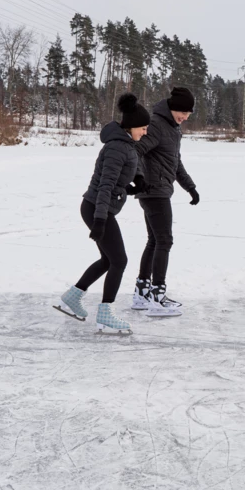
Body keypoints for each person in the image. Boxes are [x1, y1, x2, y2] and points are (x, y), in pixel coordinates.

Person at [55, 93, 150, 335]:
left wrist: (135, 182)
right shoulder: (119, 147)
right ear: (130, 127)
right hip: (98, 208)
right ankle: (105, 313)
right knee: (119, 260)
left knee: (109, 260)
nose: (145, 132)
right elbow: (105, 185)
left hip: (98, 207)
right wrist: (99, 220)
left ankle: (72, 297)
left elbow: (123, 174)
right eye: (143, 127)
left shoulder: (125, 144)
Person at [131, 87, 199, 317]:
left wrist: (190, 187)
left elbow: (175, 163)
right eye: (183, 112)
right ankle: (157, 297)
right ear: (173, 108)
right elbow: (136, 150)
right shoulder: (157, 124)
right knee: (164, 241)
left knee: (154, 241)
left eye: (188, 114)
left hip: (158, 190)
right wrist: (139, 178)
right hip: (153, 191)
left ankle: (142, 292)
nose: (186, 117)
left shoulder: (172, 128)